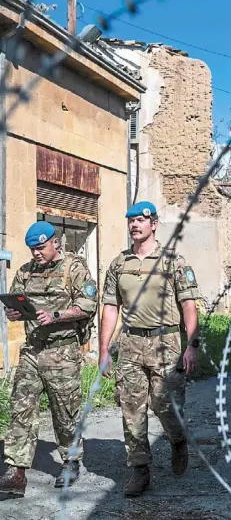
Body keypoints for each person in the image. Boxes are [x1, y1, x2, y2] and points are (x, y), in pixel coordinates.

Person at [99, 201, 200, 498]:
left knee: (164, 405)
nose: (134, 225)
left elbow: (189, 306)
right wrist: (104, 350)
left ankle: (177, 439)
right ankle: (140, 469)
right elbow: (110, 307)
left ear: (153, 224)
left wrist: (192, 345)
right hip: (130, 344)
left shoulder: (173, 261)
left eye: (140, 220)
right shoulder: (119, 264)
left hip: (165, 343)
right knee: (131, 409)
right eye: (130, 220)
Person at [0, 221, 97, 498]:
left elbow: (88, 305)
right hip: (32, 350)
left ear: (55, 242)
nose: (36, 254)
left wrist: (56, 315)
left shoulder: (74, 268)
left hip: (62, 352)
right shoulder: (26, 272)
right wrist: (14, 313)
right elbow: (15, 301)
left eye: (41, 247)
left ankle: (70, 460)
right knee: (21, 407)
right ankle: (15, 470)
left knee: (65, 412)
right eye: (32, 249)